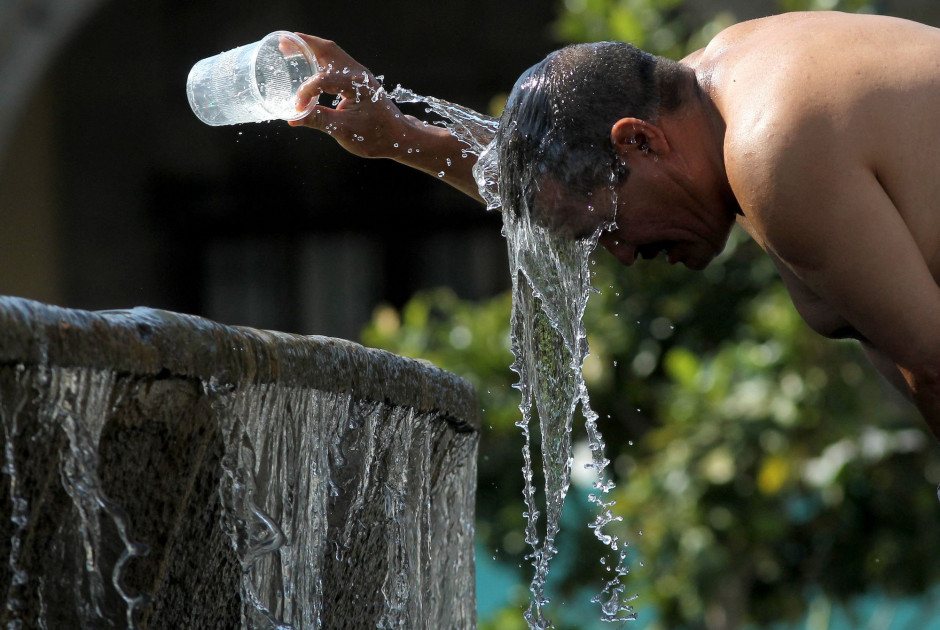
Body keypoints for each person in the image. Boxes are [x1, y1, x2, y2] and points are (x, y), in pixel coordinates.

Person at [287, 11, 940, 439]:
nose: (622, 254)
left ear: (642, 144)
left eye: (607, 228)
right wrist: (399, 135)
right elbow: (559, 170)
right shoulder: (719, 79)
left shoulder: (772, 152)